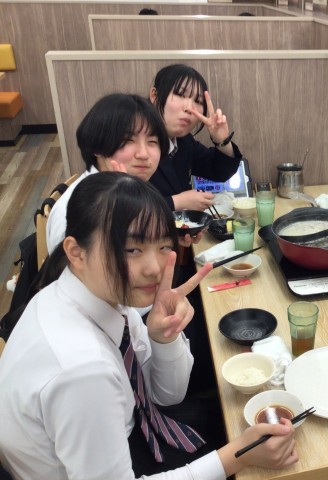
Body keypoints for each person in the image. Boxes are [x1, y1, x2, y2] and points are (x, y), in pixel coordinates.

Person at [0, 172, 298, 479]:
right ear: (76, 252)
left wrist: (163, 337)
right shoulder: (83, 370)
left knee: (240, 416)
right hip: (115, 458)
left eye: (163, 246)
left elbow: (166, 396)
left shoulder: (92, 295)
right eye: (132, 250)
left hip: (133, 428)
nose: (154, 268)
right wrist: (236, 458)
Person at [46, 93, 170, 253]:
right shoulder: (73, 214)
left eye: (152, 142)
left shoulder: (129, 189)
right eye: (127, 141)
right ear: (97, 146)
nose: (143, 154)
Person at [148, 64, 243, 211]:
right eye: (180, 94)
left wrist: (222, 141)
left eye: (198, 101)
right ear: (155, 95)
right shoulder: (131, 141)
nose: (189, 108)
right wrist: (177, 202)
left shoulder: (184, 142)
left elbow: (220, 172)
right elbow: (122, 207)